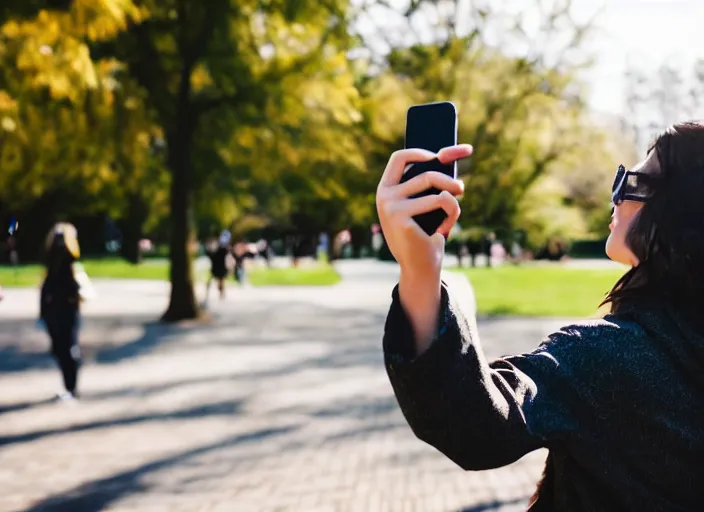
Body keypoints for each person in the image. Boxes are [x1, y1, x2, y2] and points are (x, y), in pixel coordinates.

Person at [377, 122, 704, 510]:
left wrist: (421, 271)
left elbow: (471, 425)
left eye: (631, 182)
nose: (614, 197)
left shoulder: (609, 358)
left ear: (680, 214)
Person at [40, 223, 92, 402]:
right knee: (60, 348)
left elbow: (69, 287)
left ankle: (71, 387)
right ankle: (69, 386)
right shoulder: (52, 260)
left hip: (65, 310)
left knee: (67, 348)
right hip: (55, 310)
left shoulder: (68, 260)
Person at [205, 231, 232, 301]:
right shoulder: (221, 248)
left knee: (218, 281)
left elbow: (210, 255)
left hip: (218, 267)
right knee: (219, 281)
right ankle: (220, 294)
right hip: (218, 267)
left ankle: (220, 294)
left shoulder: (220, 248)